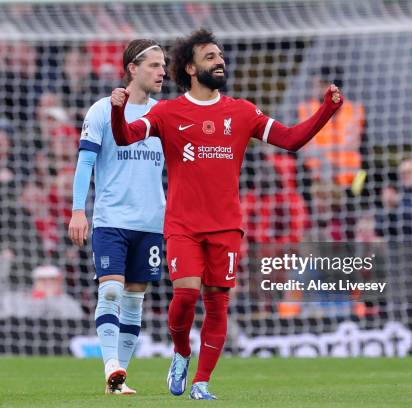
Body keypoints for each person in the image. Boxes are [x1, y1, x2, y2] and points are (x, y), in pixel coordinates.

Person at [110, 28, 343, 400]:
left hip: (226, 227)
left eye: (220, 56)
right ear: (189, 67)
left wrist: (328, 109)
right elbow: (124, 137)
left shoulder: (242, 111)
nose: (219, 61)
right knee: (185, 297)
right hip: (183, 226)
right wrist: (118, 109)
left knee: (217, 303)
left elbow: (292, 139)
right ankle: (182, 353)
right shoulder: (167, 113)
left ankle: (201, 383)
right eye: (209, 57)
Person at [67, 39, 166, 395]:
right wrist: (78, 210)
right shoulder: (101, 111)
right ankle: (110, 366)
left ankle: (119, 379)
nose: (162, 72)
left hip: (151, 222)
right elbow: (86, 162)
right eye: (154, 65)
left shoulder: (163, 115)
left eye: (163, 65)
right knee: (110, 291)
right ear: (132, 68)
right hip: (110, 220)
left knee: (135, 299)